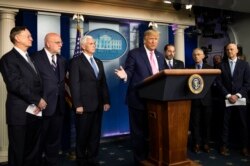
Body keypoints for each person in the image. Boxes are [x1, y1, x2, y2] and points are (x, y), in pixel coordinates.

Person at [115, 29, 166, 164]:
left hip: (156, 101)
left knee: (153, 132)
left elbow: (165, 75)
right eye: (151, 38)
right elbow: (130, 70)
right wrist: (125, 75)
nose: (154, 41)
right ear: (145, 40)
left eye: (156, 39)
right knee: (139, 133)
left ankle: (152, 157)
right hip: (138, 100)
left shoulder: (160, 56)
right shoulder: (135, 54)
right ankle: (140, 160)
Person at [0, 26, 47, 166]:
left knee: (33, 149)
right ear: (17, 38)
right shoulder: (7, 59)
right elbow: (16, 85)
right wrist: (38, 100)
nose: (31, 38)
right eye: (28, 36)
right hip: (19, 113)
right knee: (18, 151)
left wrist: (39, 102)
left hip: (34, 111)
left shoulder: (29, 58)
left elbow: (38, 82)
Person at [69, 35, 110, 166]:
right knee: (82, 135)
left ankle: (93, 158)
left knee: (95, 134)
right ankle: (81, 160)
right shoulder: (76, 61)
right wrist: (77, 104)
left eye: (94, 43)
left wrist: (106, 101)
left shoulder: (98, 61)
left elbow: (103, 83)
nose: (94, 45)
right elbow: (74, 84)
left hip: (98, 105)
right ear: (83, 46)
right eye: (91, 43)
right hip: (84, 106)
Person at [32, 33, 66, 166]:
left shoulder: (62, 60)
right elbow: (31, 82)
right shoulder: (35, 58)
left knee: (54, 139)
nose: (61, 44)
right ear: (48, 43)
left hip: (59, 106)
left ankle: (51, 162)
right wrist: (37, 100)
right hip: (41, 106)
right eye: (57, 42)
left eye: (61, 42)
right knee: (38, 140)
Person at [216, 43, 250, 156]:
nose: (229, 51)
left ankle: (244, 147)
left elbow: (247, 83)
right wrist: (228, 95)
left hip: (241, 99)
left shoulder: (245, 64)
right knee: (224, 124)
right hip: (226, 99)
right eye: (227, 50)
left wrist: (237, 95)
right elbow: (219, 83)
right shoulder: (221, 65)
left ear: (237, 51)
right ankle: (224, 146)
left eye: (231, 49)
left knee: (242, 124)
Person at [189, 48, 213, 153]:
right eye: (194, 55)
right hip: (194, 101)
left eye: (198, 54)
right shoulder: (188, 69)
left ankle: (206, 144)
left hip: (207, 101)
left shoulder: (210, 68)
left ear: (203, 56)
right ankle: (196, 144)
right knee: (195, 124)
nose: (196, 56)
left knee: (207, 124)